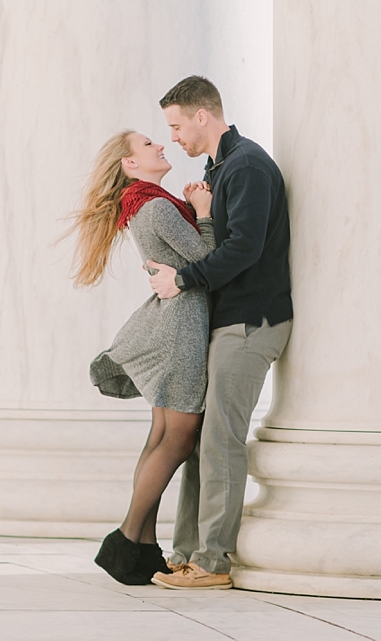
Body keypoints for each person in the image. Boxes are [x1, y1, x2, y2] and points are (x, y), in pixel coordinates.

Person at [144, 75, 292, 590]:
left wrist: (181, 278)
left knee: (221, 438)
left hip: (252, 322)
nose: (174, 137)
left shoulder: (247, 165)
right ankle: (188, 553)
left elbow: (245, 249)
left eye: (176, 125)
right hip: (227, 322)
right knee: (200, 442)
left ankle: (213, 561)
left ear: (202, 115)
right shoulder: (220, 168)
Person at [68, 129, 216, 586]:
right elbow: (209, 259)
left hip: (175, 324)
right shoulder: (152, 206)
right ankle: (127, 537)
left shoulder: (146, 203)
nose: (160, 146)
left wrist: (189, 210)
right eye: (149, 144)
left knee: (162, 436)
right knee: (180, 436)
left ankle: (143, 545)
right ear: (130, 163)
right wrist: (205, 215)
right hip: (182, 330)